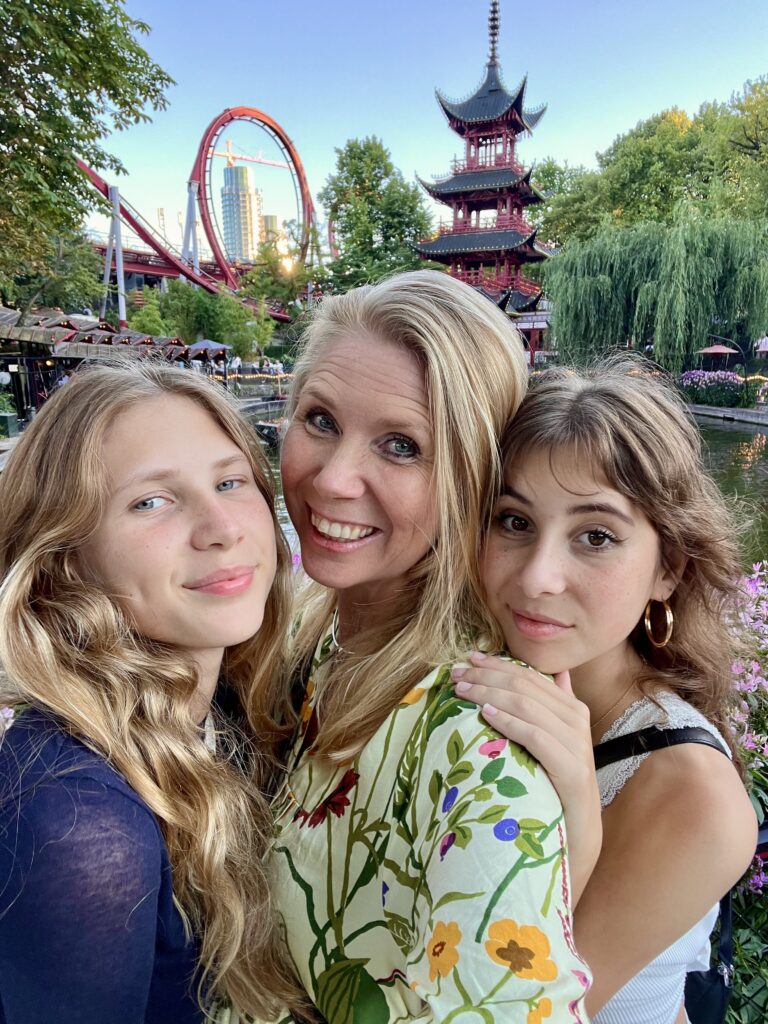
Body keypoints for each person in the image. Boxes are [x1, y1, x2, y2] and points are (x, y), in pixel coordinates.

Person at [261, 271, 592, 1023]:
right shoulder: (313, 627)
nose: (333, 480)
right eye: (320, 420)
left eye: (401, 446)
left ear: (474, 480)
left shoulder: (480, 741)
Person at [453, 358, 757, 1022]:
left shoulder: (692, 794)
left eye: (595, 536)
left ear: (668, 569)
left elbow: (522, 1009)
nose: (538, 577)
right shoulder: (472, 681)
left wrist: (580, 817)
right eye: (513, 521)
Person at [0, 362, 305, 1023]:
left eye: (230, 482)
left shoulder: (229, 710)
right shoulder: (80, 823)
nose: (221, 527)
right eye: (151, 502)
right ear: (65, 558)